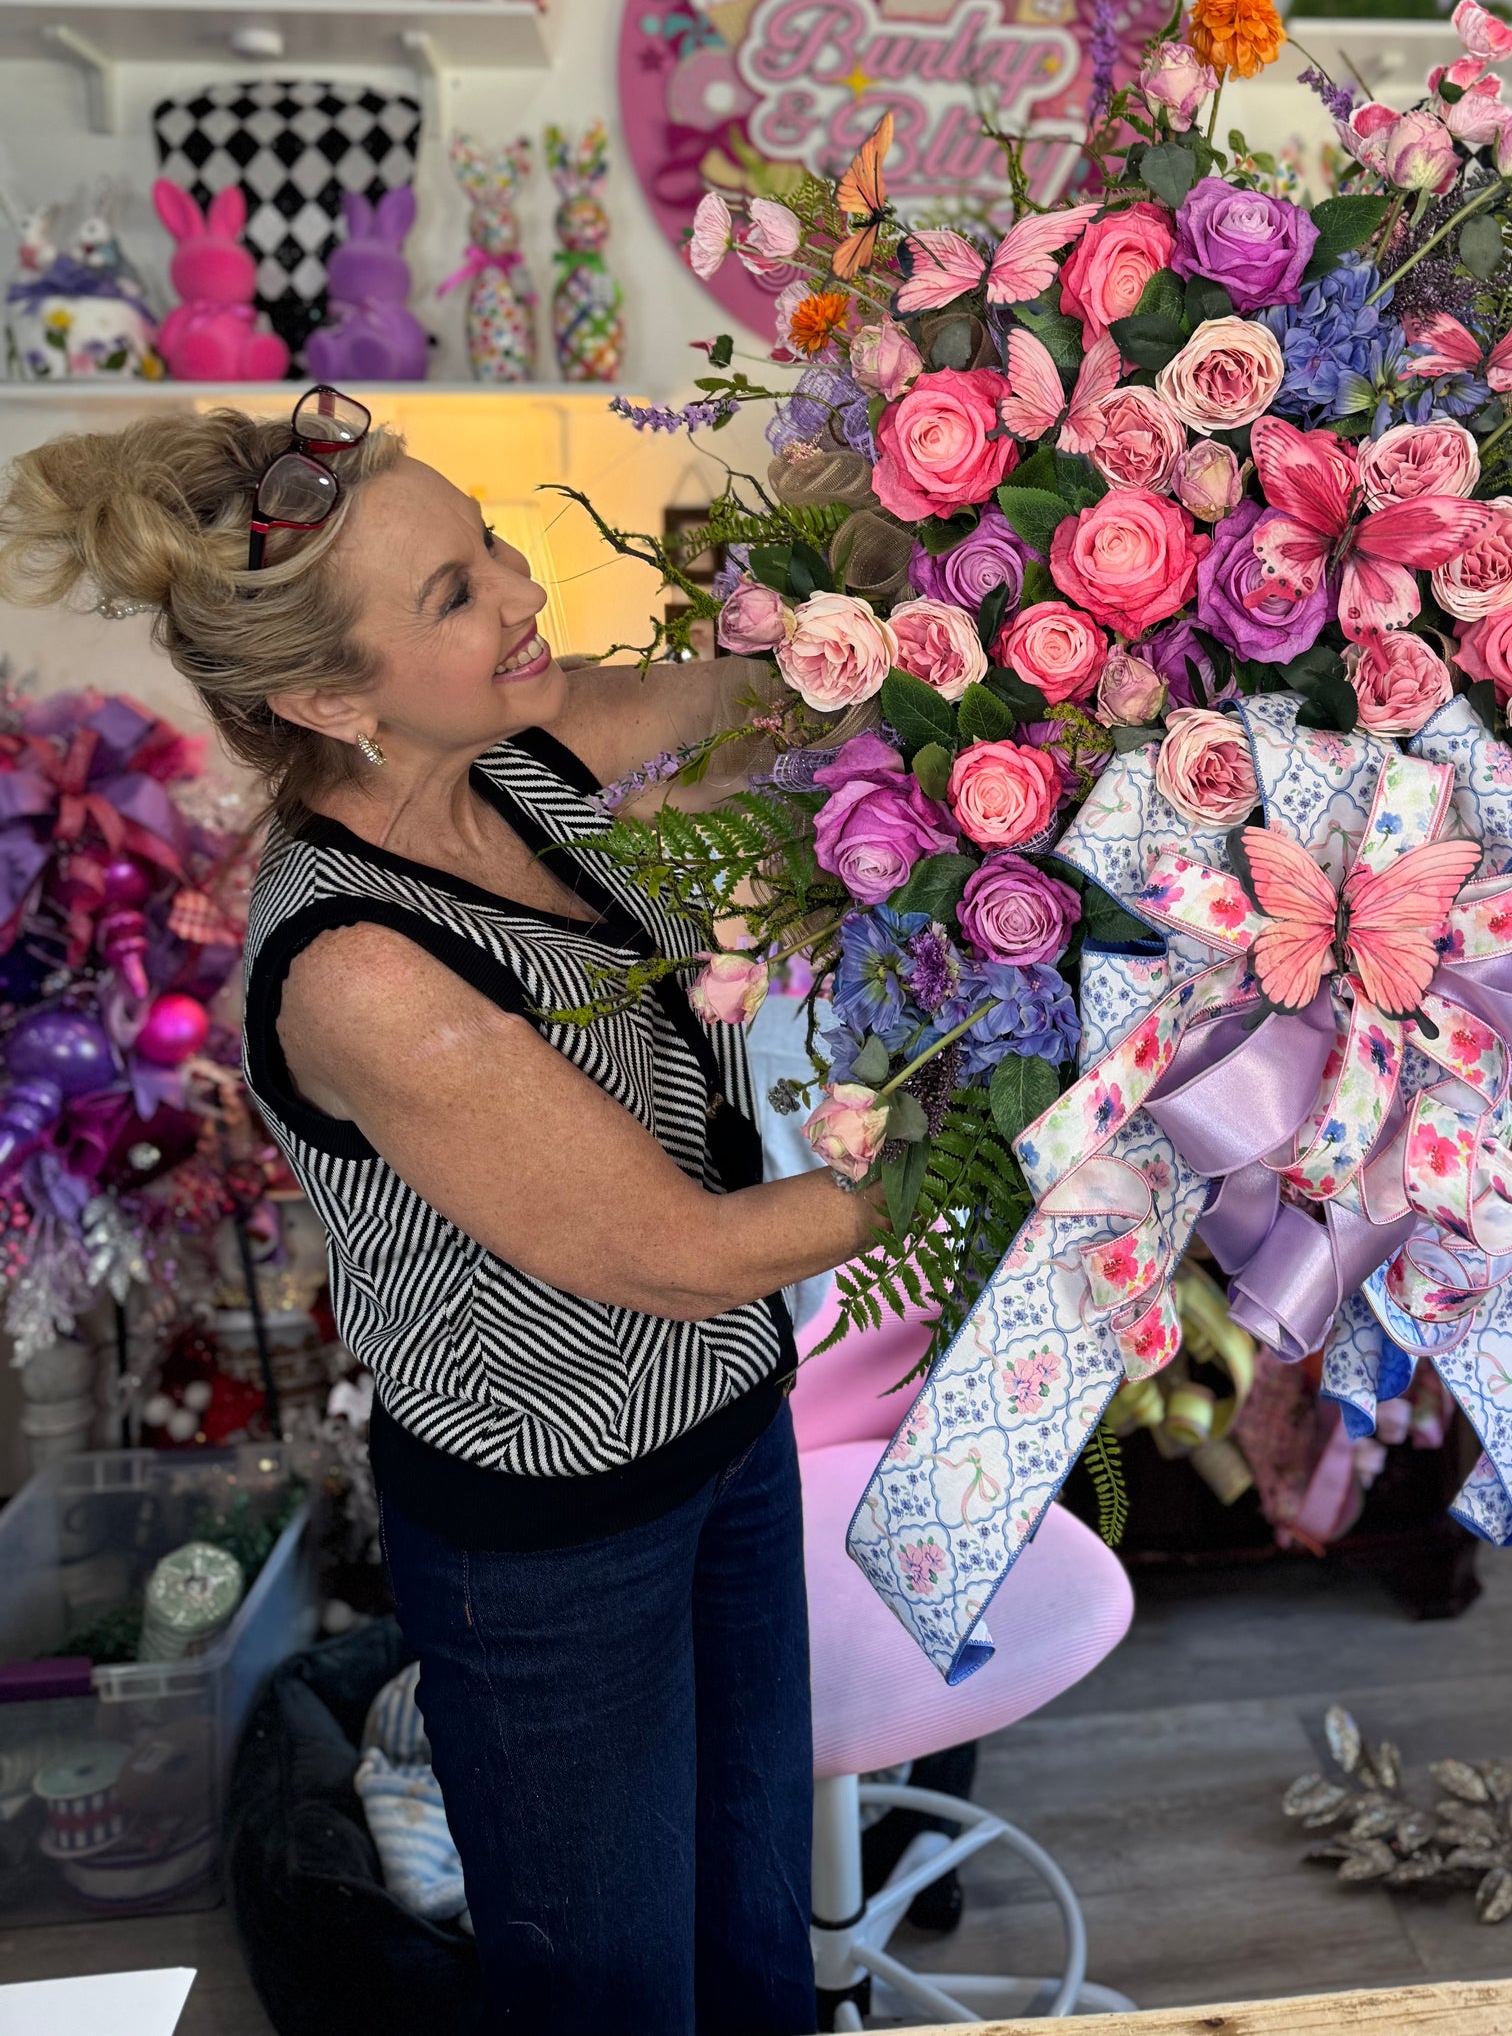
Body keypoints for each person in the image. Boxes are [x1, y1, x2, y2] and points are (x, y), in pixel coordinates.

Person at [0, 389, 879, 2036]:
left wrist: (903, 528)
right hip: (559, 1539)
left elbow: (748, 695)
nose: (522, 588)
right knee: (612, 1990)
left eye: (485, 544)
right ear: (332, 696)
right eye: (456, 594)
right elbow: (678, 1255)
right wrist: (1030, 1133)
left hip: (725, 1441)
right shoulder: (355, 968)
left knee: (754, 1932)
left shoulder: (513, 766)